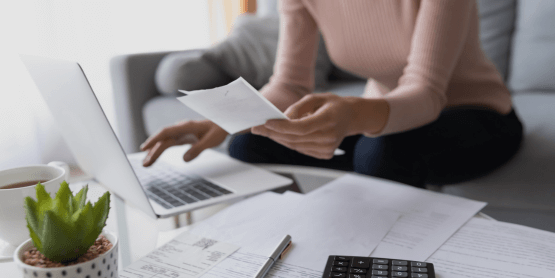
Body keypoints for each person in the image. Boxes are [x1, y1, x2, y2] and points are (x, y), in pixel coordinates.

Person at [140, 0, 523, 188]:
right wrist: (222, 122)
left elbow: (425, 92)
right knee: (250, 145)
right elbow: (290, 84)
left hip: (478, 114)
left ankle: (388, 271)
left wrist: (354, 115)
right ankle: (297, 246)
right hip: (385, 117)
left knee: (381, 150)